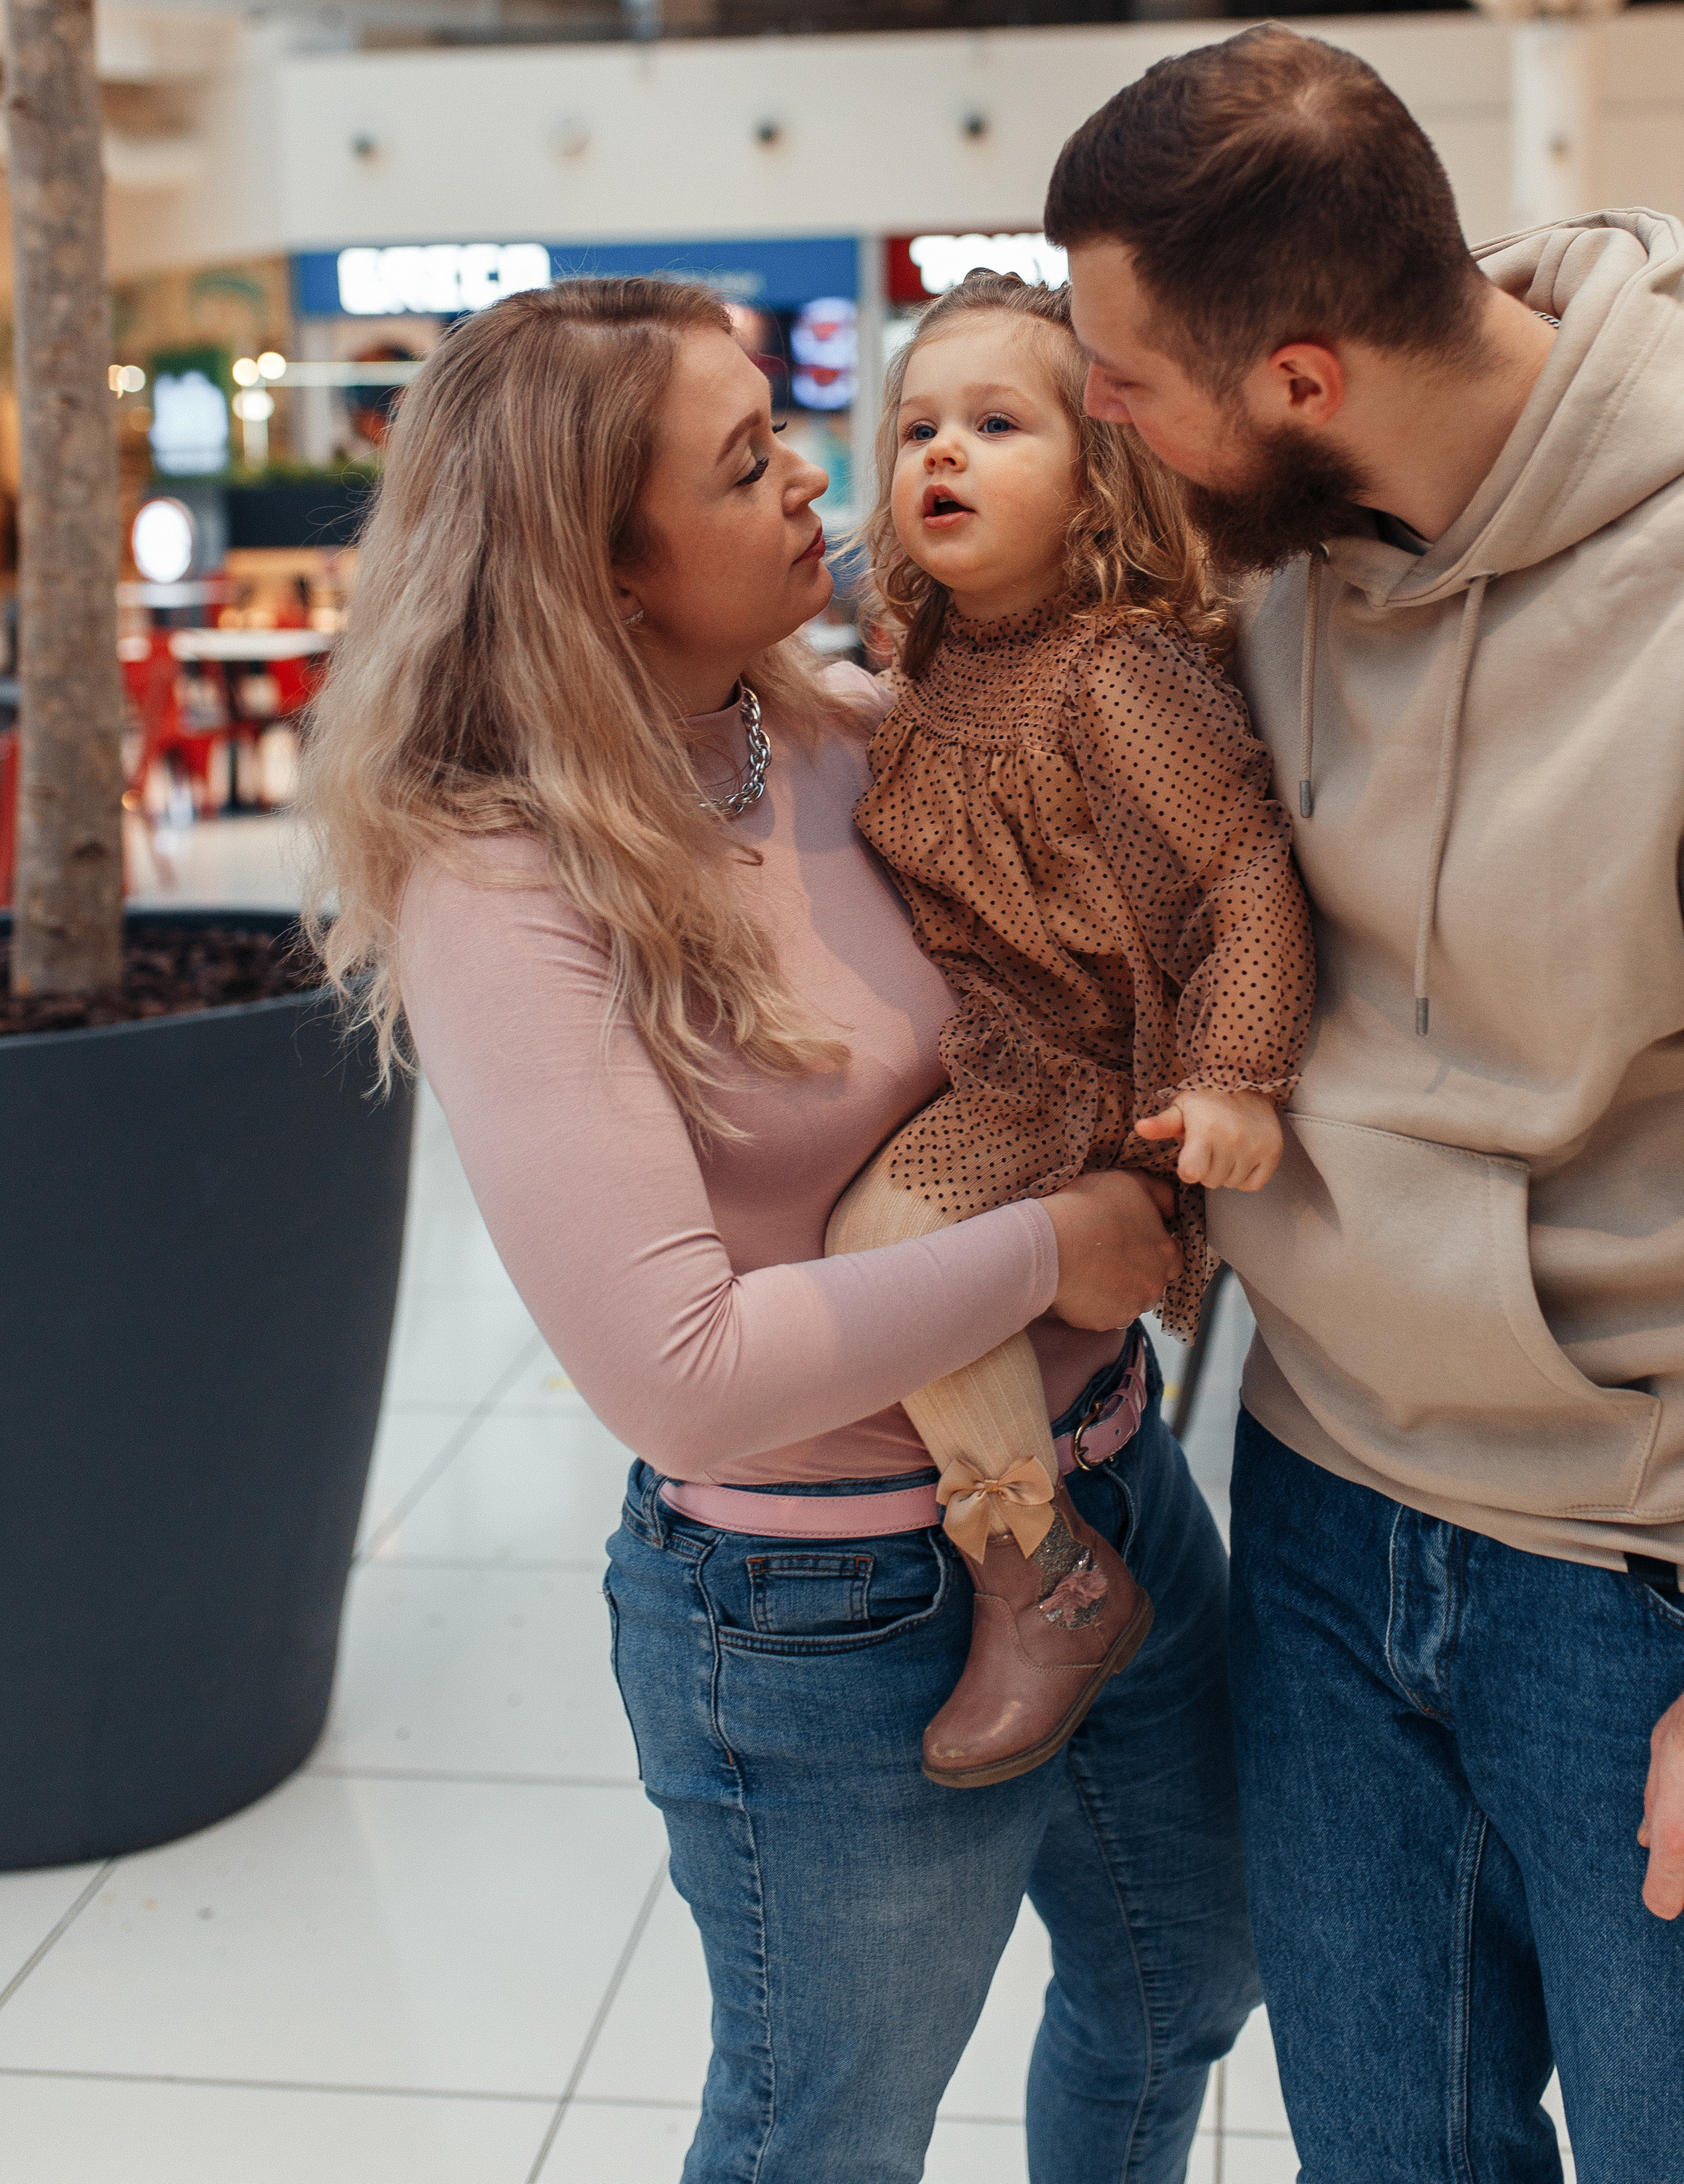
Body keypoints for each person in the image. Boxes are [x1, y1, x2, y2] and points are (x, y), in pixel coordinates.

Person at [1048, 23, 1684, 2184]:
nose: (1098, 420)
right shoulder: (1286, 549)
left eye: (1128, 379)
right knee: (1389, 2158)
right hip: (1331, 1505)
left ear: (1305, 377)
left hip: (1658, 1572)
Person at [298, 275, 1261, 2184]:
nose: (823, 478)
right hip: (833, 1614)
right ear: (607, 566)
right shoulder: (505, 871)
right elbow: (681, 1378)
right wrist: (1058, 1251)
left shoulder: (835, 726)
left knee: (1183, 1990)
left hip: (1117, 1493)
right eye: (748, 466)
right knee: (830, 2129)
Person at [827, 270, 1313, 1788]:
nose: (941, 460)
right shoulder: (939, 660)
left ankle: (1036, 1567)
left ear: (1096, 479)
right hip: (1007, 1055)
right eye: (915, 431)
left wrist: (1233, 1075)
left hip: (1099, 1075)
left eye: (992, 424)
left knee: (880, 1242)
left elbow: (1244, 869)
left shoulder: (1112, 676)